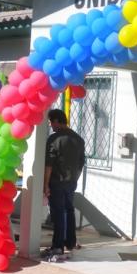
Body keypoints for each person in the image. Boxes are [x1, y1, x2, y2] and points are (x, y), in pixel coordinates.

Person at [42, 109, 85, 260]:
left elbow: (49, 165)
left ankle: (58, 246)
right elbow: (81, 164)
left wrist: (45, 185)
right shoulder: (79, 139)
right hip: (71, 182)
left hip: (57, 181)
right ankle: (70, 242)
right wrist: (74, 179)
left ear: (57, 121)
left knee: (58, 213)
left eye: (51, 122)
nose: (51, 125)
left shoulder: (54, 139)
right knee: (69, 210)